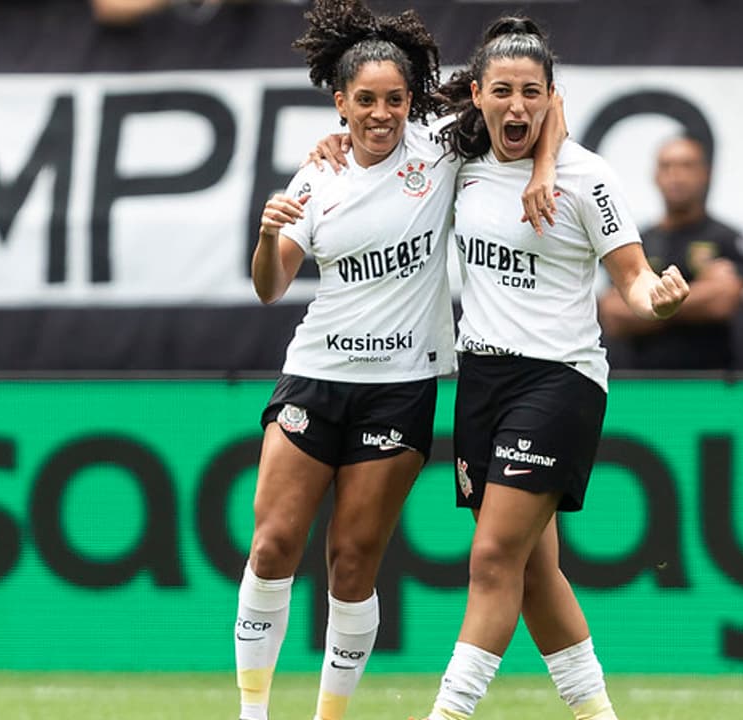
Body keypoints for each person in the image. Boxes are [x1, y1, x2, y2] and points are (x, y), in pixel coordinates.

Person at [236, 3, 561, 720]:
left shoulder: (442, 152)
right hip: (315, 377)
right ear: (339, 103)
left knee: (351, 563)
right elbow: (270, 287)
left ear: (411, 100)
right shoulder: (315, 177)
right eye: (365, 102)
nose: (380, 114)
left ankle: (329, 715)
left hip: (401, 387)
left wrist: (541, 166)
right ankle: (252, 713)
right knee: (272, 546)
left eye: (394, 99)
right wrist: (266, 235)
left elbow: (544, 105)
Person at [422, 17, 688, 720]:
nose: (517, 106)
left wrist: (654, 295)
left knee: (490, 560)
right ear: (476, 94)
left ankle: (447, 713)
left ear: (551, 98)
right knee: (536, 574)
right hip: (480, 382)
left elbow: (631, 278)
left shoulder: (589, 178)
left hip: (559, 379)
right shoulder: (460, 163)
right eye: (502, 91)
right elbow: (388, 151)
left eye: (531, 93)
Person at [597, 135, 743, 370]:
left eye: (686, 166)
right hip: (644, 385)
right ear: (655, 176)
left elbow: (722, 302)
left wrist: (647, 305)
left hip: (712, 384)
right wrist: (696, 293)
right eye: (667, 166)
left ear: (705, 174)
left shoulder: (726, 237)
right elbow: (614, 314)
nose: (676, 175)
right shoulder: (636, 240)